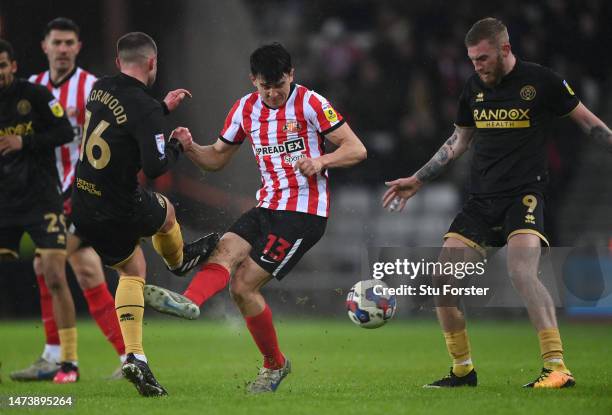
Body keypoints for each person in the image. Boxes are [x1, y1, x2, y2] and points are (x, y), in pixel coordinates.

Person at [383, 17, 612, 389]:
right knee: (443, 282)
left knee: (521, 271)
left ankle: (556, 368)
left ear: (505, 49)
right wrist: (418, 179)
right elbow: (457, 143)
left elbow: (588, 123)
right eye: (473, 59)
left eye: (483, 58)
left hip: (523, 196)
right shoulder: (473, 88)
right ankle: (462, 371)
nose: (477, 66)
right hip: (481, 201)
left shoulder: (542, 82)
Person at [144, 42, 367, 394]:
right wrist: (189, 148)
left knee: (243, 284)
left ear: (291, 75)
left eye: (280, 85)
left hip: (304, 213)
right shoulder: (245, 110)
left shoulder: (311, 103)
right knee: (224, 252)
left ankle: (274, 366)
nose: (275, 94)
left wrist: (321, 161)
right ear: (253, 81)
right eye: (267, 87)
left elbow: (356, 149)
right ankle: (189, 301)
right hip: (266, 207)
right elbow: (216, 158)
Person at [70, 32, 218, 396]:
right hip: (119, 203)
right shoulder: (145, 107)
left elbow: (123, 118)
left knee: (131, 270)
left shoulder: (99, 88)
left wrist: (162, 109)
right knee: (167, 212)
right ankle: (179, 262)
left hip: (84, 202)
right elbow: (155, 167)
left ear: (119, 62)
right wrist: (176, 144)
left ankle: (135, 358)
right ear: (152, 64)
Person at [10, 17, 126, 383]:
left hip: (80, 192)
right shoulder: (30, 89)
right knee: (76, 268)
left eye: (68, 43)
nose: (62, 49)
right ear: (44, 46)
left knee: (52, 266)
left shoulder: (93, 89)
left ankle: (61, 358)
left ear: (78, 47)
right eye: (56, 43)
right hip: (44, 194)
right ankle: (127, 357)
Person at [0, 39, 77, 381]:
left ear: (13, 66)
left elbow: (65, 131)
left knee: (55, 274)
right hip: (4, 202)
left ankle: (69, 363)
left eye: (2, 65)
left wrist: (24, 141)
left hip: (41, 199)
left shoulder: (34, 96)